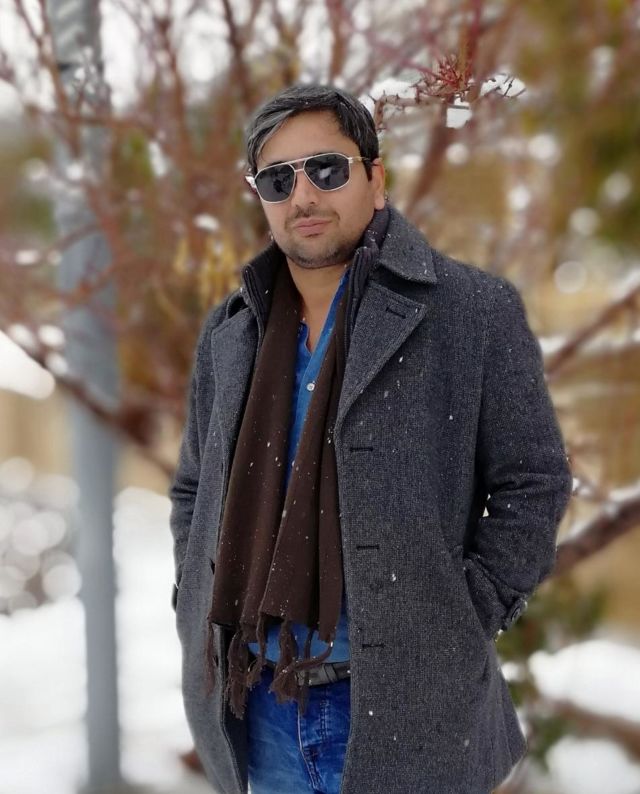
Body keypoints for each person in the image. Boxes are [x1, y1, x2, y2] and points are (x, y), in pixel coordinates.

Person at [168, 83, 573, 794]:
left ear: (375, 179)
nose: (303, 196)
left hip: (411, 712)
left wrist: (462, 614)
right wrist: (192, 598)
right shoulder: (231, 332)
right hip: (258, 707)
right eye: (277, 179)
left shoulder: (471, 311)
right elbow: (194, 488)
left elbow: (532, 482)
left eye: (326, 169)